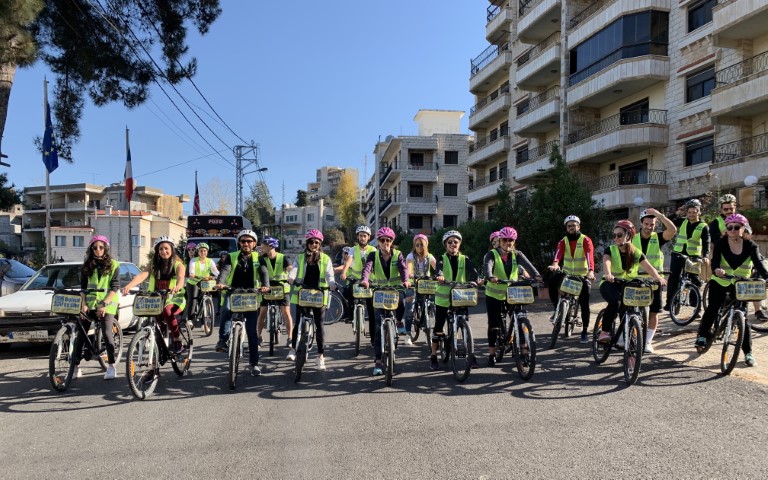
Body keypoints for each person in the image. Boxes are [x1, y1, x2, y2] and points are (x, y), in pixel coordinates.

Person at [695, 214, 768, 367]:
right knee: (714, 307)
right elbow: (714, 263)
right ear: (726, 230)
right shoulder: (721, 243)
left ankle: (748, 352)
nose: (733, 230)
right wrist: (717, 270)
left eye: (737, 227)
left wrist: (766, 277)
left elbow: (759, 265)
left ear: (743, 229)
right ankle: (702, 335)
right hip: (721, 280)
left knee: (743, 318)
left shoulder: (751, 245)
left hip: (741, 284)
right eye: (730, 227)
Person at [599, 220, 667, 343]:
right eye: (614, 236)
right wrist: (608, 274)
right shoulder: (610, 249)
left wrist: (658, 277)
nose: (616, 238)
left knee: (628, 306)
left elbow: (648, 266)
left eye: (619, 235)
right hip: (610, 283)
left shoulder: (635, 252)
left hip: (626, 284)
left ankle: (626, 335)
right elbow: (606, 262)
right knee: (615, 302)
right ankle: (605, 332)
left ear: (629, 235)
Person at [483, 226, 541, 367]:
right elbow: (487, 266)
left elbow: (529, 266)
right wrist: (490, 276)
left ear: (514, 242)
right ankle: (491, 353)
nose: (507, 242)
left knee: (520, 320)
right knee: (494, 324)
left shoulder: (517, 254)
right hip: (494, 294)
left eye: (511, 240)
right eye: (505, 240)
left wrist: (537, 275)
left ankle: (524, 351)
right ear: (500, 240)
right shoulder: (492, 254)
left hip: (513, 293)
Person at [215, 230, 269, 376]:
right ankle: (223, 340)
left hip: (251, 295)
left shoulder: (259, 257)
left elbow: (264, 273)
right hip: (232, 292)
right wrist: (220, 283)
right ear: (239, 243)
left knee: (252, 332)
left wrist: (265, 286)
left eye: (249, 241)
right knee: (226, 310)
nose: (246, 243)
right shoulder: (231, 257)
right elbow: (225, 271)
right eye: (243, 241)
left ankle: (254, 364)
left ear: (254, 244)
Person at [122, 236, 186, 354]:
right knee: (156, 317)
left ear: (172, 249)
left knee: (167, 311)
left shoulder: (178, 264)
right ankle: (161, 343)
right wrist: (129, 286)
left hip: (174, 298)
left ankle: (177, 340)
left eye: (166, 248)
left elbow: (181, 278)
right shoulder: (153, 264)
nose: (163, 251)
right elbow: (142, 275)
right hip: (156, 297)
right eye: (160, 249)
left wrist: (178, 286)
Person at [360, 227, 410, 375]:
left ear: (392, 241)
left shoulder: (398, 254)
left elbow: (403, 269)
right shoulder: (372, 255)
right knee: (377, 326)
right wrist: (365, 280)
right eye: (382, 240)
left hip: (395, 289)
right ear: (378, 242)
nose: (385, 242)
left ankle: (399, 321)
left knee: (401, 302)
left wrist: (406, 280)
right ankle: (378, 361)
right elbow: (367, 269)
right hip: (379, 291)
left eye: (388, 240)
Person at [429, 230, 481, 370]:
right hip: (443, 298)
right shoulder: (442, 258)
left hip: (460, 296)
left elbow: (474, 271)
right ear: (445, 245)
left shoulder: (465, 259)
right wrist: (439, 275)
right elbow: (438, 269)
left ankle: (472, 356)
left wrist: (478, 279)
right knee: (438, 328)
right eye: (450, 242)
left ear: (459, 244)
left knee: (464, 327)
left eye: (456, 242)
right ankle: (433, 356)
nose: (453, 245)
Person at [287, 229, 336, 370]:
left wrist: (331, 283)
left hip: (319, 295)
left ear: (320, 244)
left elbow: (329, 274)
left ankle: (320, 356)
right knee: (298, 324)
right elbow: (295, 269)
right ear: (307, 243)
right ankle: (293, 350)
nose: (313, 244)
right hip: (302, 293)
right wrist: (291, 277)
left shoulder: (325, 259)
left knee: (320, 326)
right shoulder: (300, 257)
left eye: (316, 242)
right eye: (311, 242)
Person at [74, 235, 121, 380]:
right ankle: (75, 367)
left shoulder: (114, 264)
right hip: (90, 303)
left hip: (108, 303)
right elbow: (82, 288)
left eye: (101, 247)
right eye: (95, 247)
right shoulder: (87, 265)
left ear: (106, 248)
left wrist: (105, 304)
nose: (98, 250)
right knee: (81, 334)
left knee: (107, 333)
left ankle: (111, 366)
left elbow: (115, 287)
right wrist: (83, 305)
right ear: (91, 249)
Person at [632, 208, 676, 353]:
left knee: (654, 312)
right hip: (636, 279)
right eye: (646, 224)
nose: (649, 227)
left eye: (652, 224)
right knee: (630, 308)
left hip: (654, 280)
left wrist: (659, 215)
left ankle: (648, 341)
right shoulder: (632, 238)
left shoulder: (658, 237)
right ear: (641, 223)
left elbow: (672, 229)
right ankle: (627, 335)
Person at [547, 215, 596, 343]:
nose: (572, 228)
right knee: (551, 281)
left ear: (578, 226)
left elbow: (589, 255)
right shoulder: (563, 241)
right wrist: (555, 265)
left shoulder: (585, 240)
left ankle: (584, 331)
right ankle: (556, 309)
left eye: (574, 225)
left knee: (584, 304)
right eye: (569, 226)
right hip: (567, 273)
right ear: (566, 228)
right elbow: (558, 255)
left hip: (582, 275)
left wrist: (591, 271)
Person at [665, 199, 710, 312]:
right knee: (673, 278)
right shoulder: (683, 221)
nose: (691, 215)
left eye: (694, 212)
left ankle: (695, 306)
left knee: (694, 280)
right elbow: (667, 221)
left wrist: (706, 255)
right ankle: (670, 302)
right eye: (689, 212)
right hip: (678, 253)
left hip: (693, 256)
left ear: (699, 212)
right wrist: (676, 213)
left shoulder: (703, 226)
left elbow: (706, 242)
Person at [256, 236, 294, 358]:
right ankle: (259, 337)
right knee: (262, 312)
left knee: (286, 312)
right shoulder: (261, 259)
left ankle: (290, 337)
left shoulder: (283, 258)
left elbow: (290, 268)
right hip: (266, 288)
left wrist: (292, 275)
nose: (261, 248)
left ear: (271, 246)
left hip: (282, 289)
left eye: (263, 246)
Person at [340, 225, 376, 340]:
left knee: (371, 308)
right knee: (349, 292)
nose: (362, 238)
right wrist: (344, 273)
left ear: (368, 237)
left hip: (369, 280)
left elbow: (376, 264)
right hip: (355, 278)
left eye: (365, 236)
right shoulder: (353, 249)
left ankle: (373, 335)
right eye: (360, 236)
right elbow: (349, 260)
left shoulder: (373, 250)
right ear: (358, 237)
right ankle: (351, 315)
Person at [404, 233, 437, 346]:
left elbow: (437, 268)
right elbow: (407, 268)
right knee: (410, 308)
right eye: (417, 245)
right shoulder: (410, 256)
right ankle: (408, 334)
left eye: (421, 245)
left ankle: (427, 323)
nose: (419, 247)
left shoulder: (430, 257)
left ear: (426, 245)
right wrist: (409, 275)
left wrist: (440, 275)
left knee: (431, 303)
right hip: (413, 284)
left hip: (425, 285)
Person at [184, 242, 219, 325]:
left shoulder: (210, 261)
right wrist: (192, 274)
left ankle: (204, 324)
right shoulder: (193, 260)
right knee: (193, 299)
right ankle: (190, 319)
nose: (203, 253)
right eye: (201, 251)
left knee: (204, 299)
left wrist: (220, 276)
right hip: (193, 282)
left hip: (204, 282)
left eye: (204, 251)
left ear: (207, 252)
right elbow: (191, 270)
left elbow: (216, 271)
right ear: (198, 252)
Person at [743, 223, 768, 321]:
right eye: (744, 232)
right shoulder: (728, 243)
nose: (745, 234)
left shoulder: (751, 245)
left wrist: (766, 276)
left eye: (747, 233)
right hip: (729, 276)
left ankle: (758, 311)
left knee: (755, 284)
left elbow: (759, 260)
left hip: (746, 275)